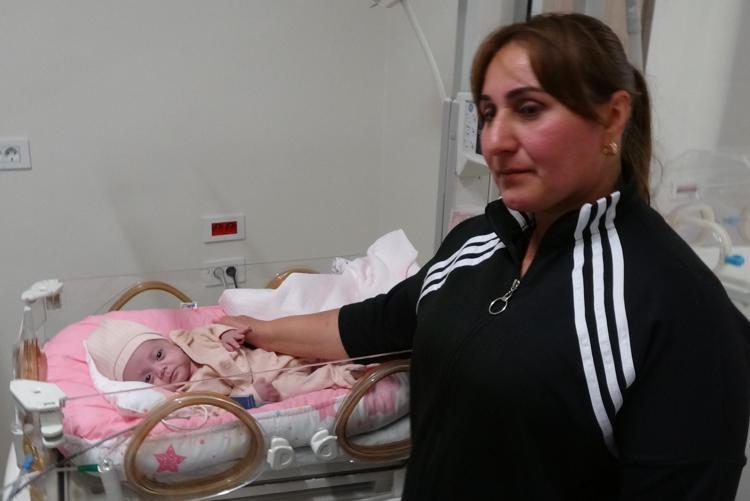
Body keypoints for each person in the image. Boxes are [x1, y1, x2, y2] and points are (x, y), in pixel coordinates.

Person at [220, 13, 750, 500]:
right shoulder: (479, 243)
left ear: (612, 118)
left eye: (529, 109)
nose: (495, 141)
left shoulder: (679, 312)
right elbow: (373, 323)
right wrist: (255, 330)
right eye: (489, 114)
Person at [85, 318, 362, 405]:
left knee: (302, 349)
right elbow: (223, 409)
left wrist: (226, 333)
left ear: (169, 342)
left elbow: (212, 329)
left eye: (159, 355)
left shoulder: (191, 339)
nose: (162, 370)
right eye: (148, 378)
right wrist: (253, 397)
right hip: (266, 384)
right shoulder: (189, 395)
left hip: (267, 358)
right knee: (293, 387)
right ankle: (336, 375)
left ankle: (339, 354)